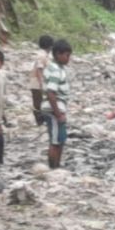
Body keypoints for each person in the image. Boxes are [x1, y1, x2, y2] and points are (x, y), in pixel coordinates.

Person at [42, 39, 72, 169]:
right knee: (55, 141)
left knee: (60, 139)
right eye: (66, 55)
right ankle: (53, 168)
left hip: (57, 109)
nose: (68, 58)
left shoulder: (56, 68)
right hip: (54, 110)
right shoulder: (55, 71)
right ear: (58, 54)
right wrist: (58, 114)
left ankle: (57, 166)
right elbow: (50, 93)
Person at [30, 35, 54, 125]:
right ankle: (39, 120)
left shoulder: (45, 55)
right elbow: (40, 69)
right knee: (38, 101)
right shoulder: (42, 55)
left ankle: (43, 119)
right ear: (49, 46)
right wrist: (41, 83)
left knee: (41, 101)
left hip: (39, 82)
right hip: (37, 82)